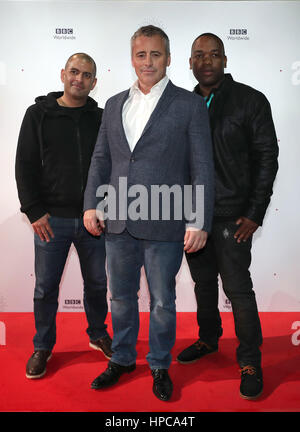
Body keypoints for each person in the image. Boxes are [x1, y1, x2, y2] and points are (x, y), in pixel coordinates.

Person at [83, 25, 214, 401]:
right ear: (132, 58)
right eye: (141, 54)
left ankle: (159, 363)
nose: (148, 62)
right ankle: (122, 358)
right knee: (120, 297)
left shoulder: (188, 105)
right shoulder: (113, 105)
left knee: (162, 301)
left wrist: (199, 219)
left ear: (168, 59)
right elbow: (101, 159)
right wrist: (91, 203)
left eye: (156, 54)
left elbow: (202, 166)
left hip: (166, 221)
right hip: (119, 220)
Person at [176, 33, 279, 400]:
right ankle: (208, 339)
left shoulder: (250, 101)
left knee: (238, 290)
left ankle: (250, 360)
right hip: (192, 217)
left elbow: (267, 158)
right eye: (199, 55)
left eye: (214, 54)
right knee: (203, 285)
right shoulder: (183, 104)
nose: (206, 61)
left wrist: (254, 212)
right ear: (189, 63)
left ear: (225, 60)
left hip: (234, 216)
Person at [15, 53, 112, 380]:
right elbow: (24, 165)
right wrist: (34, 210)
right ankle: (42, 345)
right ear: (63, 74)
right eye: (74, 72)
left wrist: (105, 208)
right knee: (45, 288)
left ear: (94, 82)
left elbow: (112, 167)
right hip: (50, 220)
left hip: (92, 220)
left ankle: (98, 333)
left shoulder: (101, 118)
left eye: (86, 75)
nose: (79, 79)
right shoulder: (38, 114)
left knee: (98, 283)